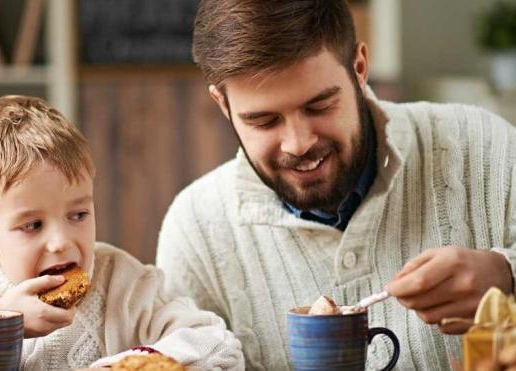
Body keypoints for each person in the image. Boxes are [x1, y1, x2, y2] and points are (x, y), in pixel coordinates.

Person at [155, 0, 516, 369]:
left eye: (319, 106)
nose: (298, 143)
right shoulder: (195, 230)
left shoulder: (485, 147)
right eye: (264, 121)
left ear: (359, 68)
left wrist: (508, 276)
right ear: (223, 104)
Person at [0, 95, 244, 370]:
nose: (61, 241)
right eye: (32, 225)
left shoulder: (122, 284)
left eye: (78, 214)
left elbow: (219, 345)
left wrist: (129, 366)